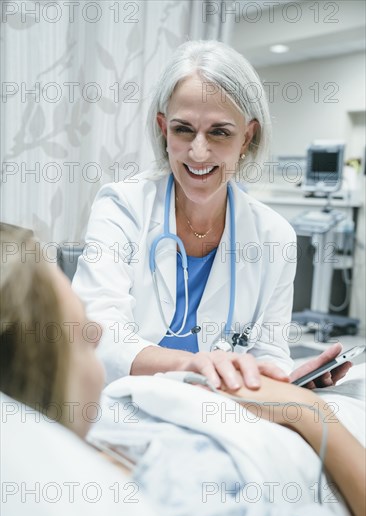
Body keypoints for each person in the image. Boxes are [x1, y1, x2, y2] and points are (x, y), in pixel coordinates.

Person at [1, 226, 364, 516]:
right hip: (320, 429)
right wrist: (308, 411)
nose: (99, 333)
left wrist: (277, 379)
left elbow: (271, 349)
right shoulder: (184, 499)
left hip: (237, 393)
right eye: (82, 332)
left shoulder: (92, 422)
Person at [72, 40, 350, 390]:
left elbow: (269, 351)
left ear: (247, 136)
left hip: (221, 410)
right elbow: (98, 333)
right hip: (122, 407)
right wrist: (194, 364)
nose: (198, 151)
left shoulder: (274, 235)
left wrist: (286, 378)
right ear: (163, 128)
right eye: (183, 129)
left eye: (219, 132)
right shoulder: (122, 206)